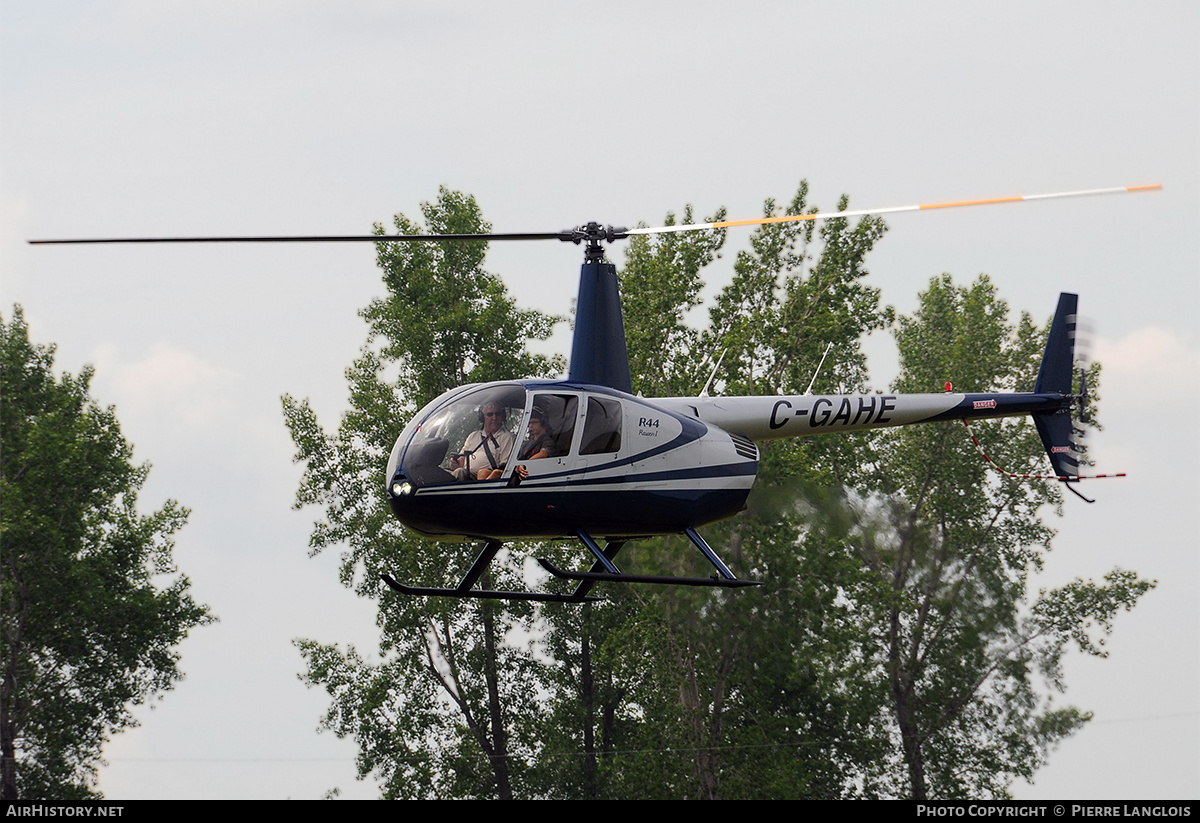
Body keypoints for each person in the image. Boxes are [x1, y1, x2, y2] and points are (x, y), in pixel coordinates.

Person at [449, 401, 515, 481]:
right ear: (482, 417)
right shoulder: (473, 436)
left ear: (502, 416)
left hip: (487, 477)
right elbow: (462, 459)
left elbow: (505, 466)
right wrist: (455, 463)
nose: (494, 418)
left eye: (497, 414)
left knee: (461, 472)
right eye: (490, 414)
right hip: (467, 474)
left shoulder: (506, 437)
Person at [506, 406, 556, 482]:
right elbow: (518, 461)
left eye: (534, 422)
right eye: (529, 423)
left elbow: (544, 453)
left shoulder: (547, 441)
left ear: (543, 423)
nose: (530, 426)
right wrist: (518, 467)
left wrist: (525, 464)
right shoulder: (526, 445)